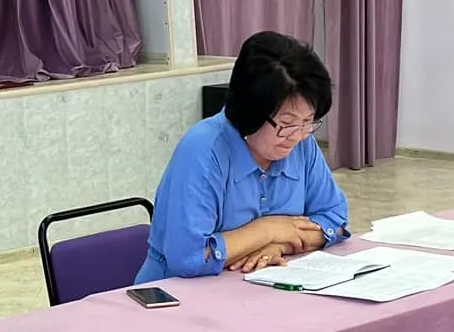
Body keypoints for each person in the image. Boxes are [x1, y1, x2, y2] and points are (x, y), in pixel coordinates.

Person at [137, 32, 350, 283]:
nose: (298, 136)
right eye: (286, 123)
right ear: (251, 111)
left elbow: (335, 220)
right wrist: (267, 230)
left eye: (307, 122)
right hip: (177, 294)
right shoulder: (203, 151)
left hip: (258, 291)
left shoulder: (302, 144)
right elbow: (189, 257)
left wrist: (280, 245)